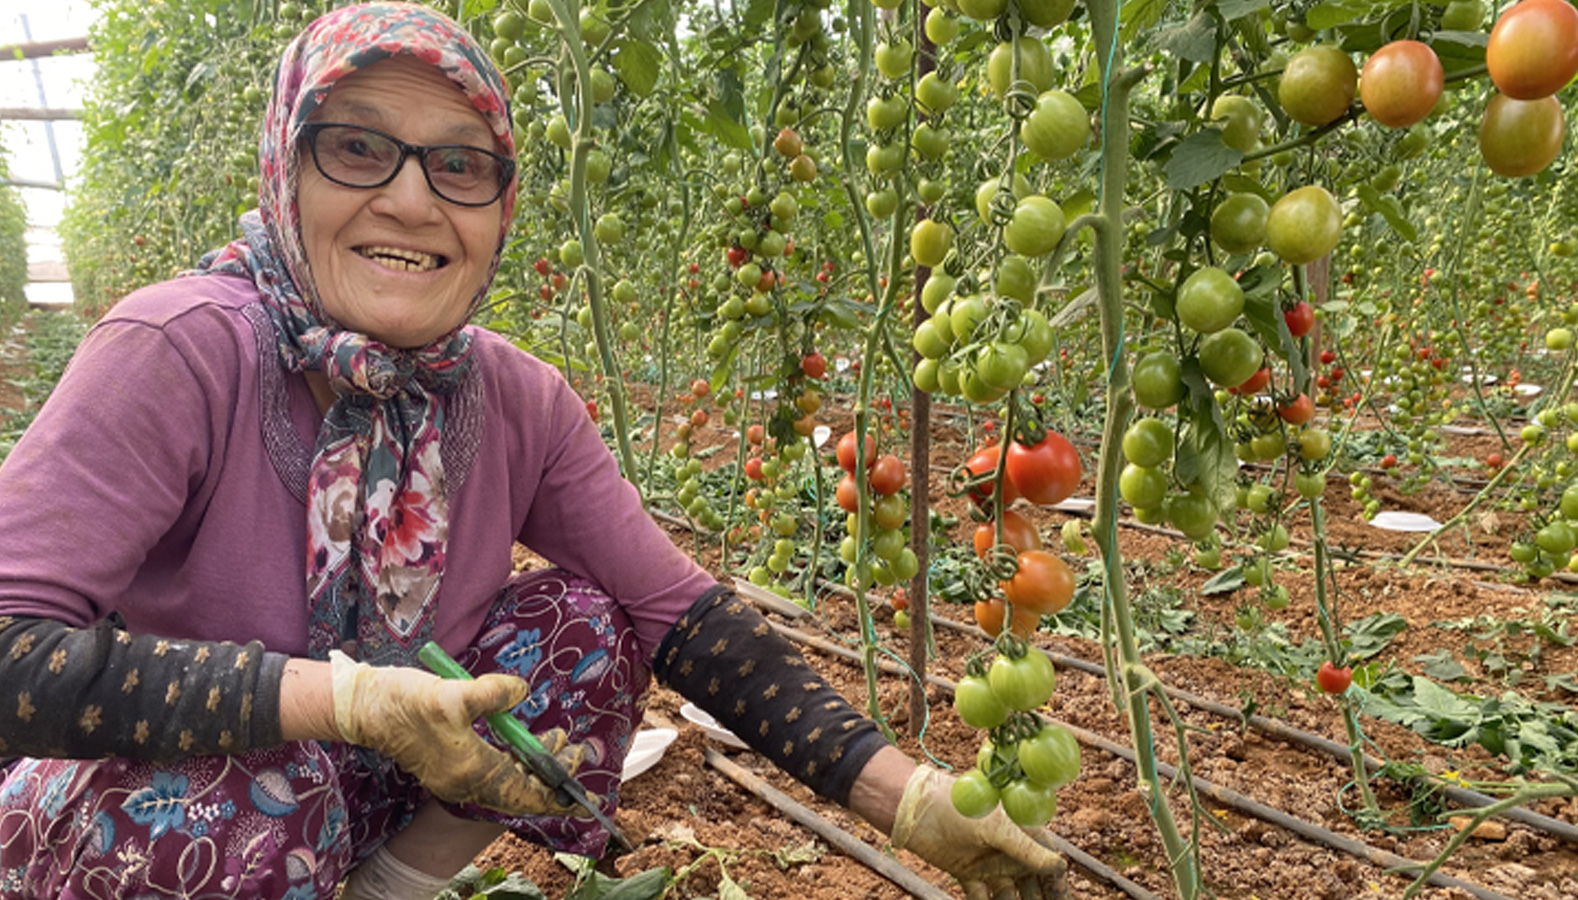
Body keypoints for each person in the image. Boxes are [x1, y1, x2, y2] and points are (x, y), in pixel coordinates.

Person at [0, 4, 1069, 899]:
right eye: (358, 146)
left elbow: (678, 616)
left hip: (355, 794)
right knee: (240, 788)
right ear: (288, 166)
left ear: (499, 207)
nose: (411, 199)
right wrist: (338, 699)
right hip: (153, 813)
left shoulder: (513, 398)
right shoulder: (179, 349)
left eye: (459, 165)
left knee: (585, 626)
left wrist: (906, 800)